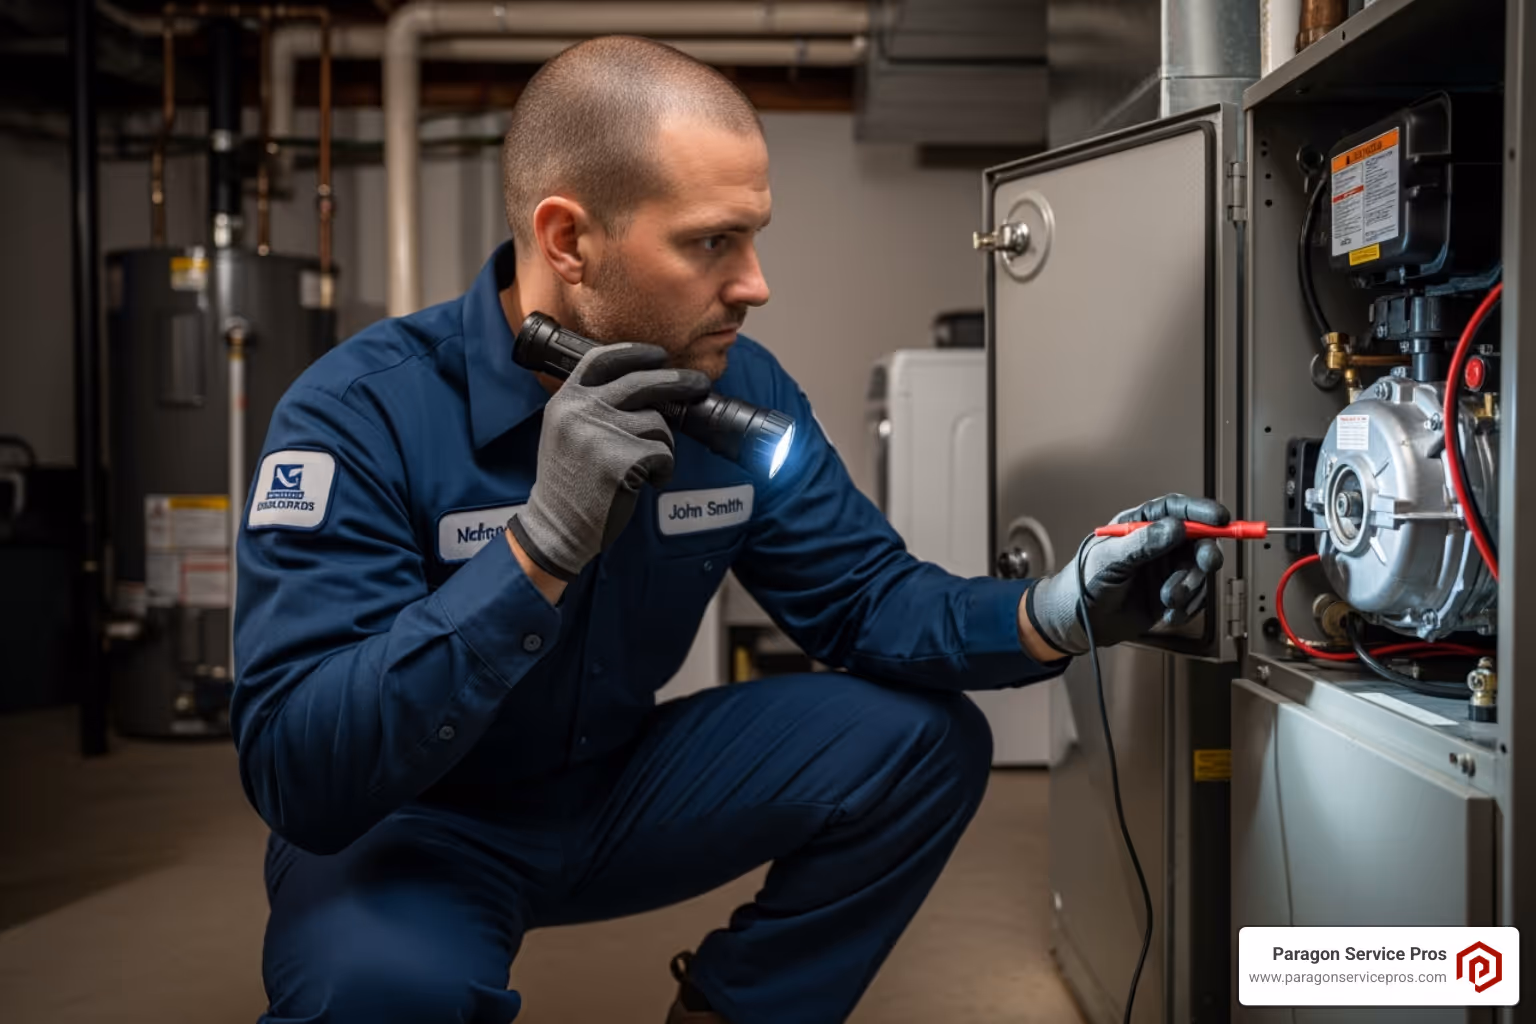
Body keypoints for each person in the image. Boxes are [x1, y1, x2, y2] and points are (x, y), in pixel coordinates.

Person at [232, 35, 1228, 1024]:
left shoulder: (736, 392)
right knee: (381, 996)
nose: (754, 284)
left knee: (920, 743)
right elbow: (300, 772)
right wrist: (538, 547)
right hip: (411, 820)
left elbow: (868, 601)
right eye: (712, 242)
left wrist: (1053, 608)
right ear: (570, 240)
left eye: (753, 237)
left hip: (613, 788)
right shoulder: (357, 416)